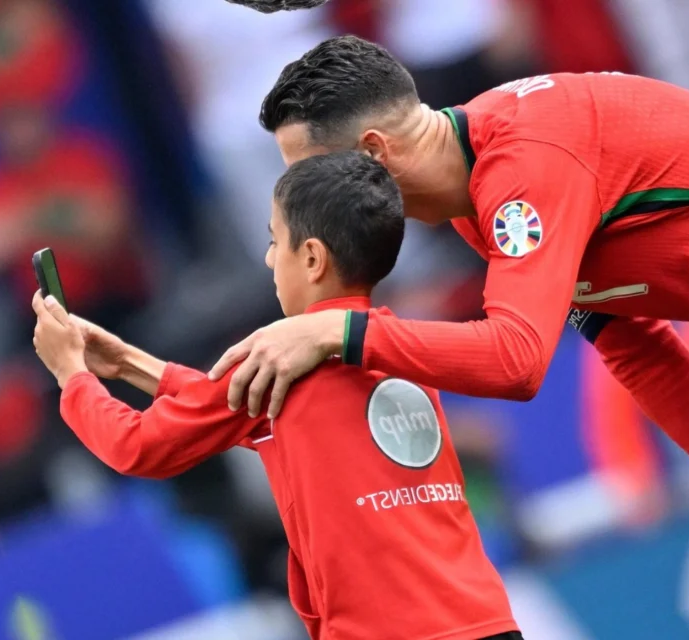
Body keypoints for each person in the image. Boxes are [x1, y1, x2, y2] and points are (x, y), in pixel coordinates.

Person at [208, 34, 689, 639]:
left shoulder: (523, 167)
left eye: (303, 177)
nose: (300, 203)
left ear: (374, 154)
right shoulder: (485, 205)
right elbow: (635, 341)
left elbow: (518, 359)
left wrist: (342, 335)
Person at [31, 151, 522, 640]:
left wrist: (70, 373)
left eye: (274, 241)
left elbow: (135, 446)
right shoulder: (403, 346)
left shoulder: (282, 356)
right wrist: (128, 364)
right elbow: (263, 418)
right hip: (488, 621)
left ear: (311, 258)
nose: (268, 258)